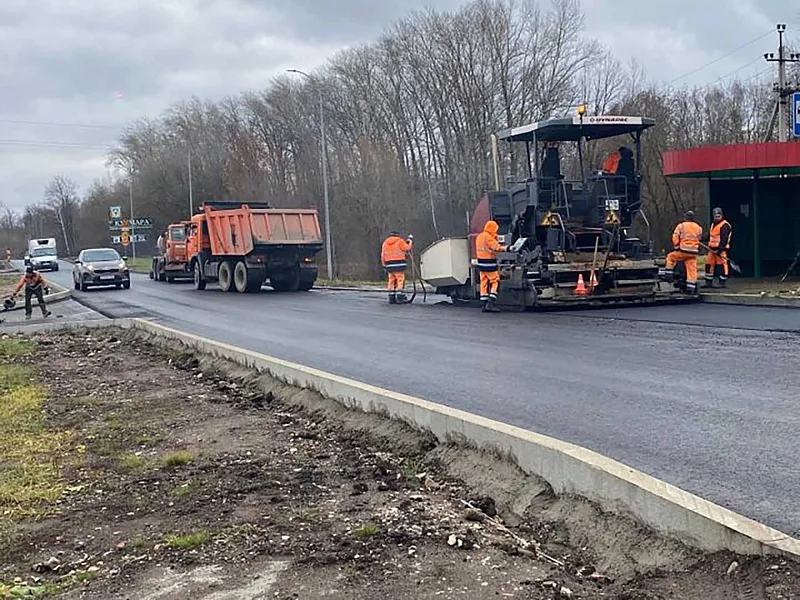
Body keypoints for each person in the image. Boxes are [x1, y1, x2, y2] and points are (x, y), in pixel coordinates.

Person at [664, 210, 703, 295]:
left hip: (683, 250)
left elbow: (675, 237)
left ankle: (668, 275)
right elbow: (699, 239)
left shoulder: (681, 226)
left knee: (670, 257)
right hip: (693, 252)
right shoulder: (699, 228)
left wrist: (676, 246)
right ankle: (691, 287)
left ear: (685, 217)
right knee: (691, 269)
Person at [475, 220, 507, 312]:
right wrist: (508, 248)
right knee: (495, 281)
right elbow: (496, 247)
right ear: (492, 229)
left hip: (481, 263)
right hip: (489, 263)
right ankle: (490, 303)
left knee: (484, 282)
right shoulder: (489, 238)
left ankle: (484, 304)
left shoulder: (480, 236)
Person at [381, 231, 413, 304]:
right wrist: (410, 241)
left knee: (391, 280)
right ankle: (399, 296)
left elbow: (382, 255)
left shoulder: (385, 243)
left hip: (389, 265)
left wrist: (384, 264)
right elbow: (407, 248)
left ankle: (391, 297)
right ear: (397, 235)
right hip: (399, 264)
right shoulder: (400, 241)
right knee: (400, 279)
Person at [704, 207, 732, 288]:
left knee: (721, 266)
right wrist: (701, 238)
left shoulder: (724, 225)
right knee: (708, 265)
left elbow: (724, 239)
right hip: (712, 249)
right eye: (715, 216)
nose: (717, 218)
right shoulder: (713, 224)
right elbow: (710, 236)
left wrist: (720, 249)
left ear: (722, 216)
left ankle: (722, 282)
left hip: (721, 250)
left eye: (718, 216)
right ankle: (708, 282)